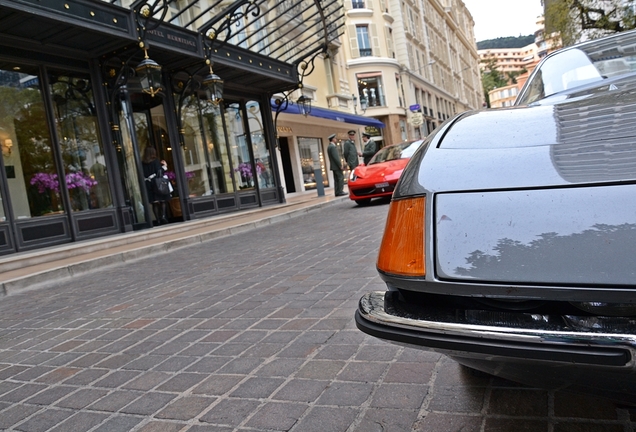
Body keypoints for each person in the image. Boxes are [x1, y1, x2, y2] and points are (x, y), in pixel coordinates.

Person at [142, 146, 171, 225]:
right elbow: (159, 172)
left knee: (154, 202)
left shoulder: (142, 163)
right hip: (157, 183)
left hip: (148, 183)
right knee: (162, 200)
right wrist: (165, 166)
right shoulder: (155, 161)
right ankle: (163, 216)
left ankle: (157, 219)